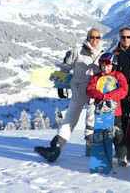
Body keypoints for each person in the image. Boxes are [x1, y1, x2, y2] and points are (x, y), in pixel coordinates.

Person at [34, 28, 104, 162]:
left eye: (97, 37)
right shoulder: (77, 51)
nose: (94, 40)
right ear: (88, 37)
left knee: (92, 121)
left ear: (100, 38)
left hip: (94, 93)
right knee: (70, 120)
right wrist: (60, 86)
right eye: (92, 37)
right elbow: (65, 68)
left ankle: (91, 152)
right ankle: (55, 149)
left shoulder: (102, 54)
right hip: (78, 91)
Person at [86, 53, 129, 166]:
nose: (106, 69)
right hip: (101, 111)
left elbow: (124, 90)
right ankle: (101, 155)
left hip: (115, 111)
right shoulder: (96, 77)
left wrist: (109, 96)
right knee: (101, 133)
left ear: (113, 65)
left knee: (118, 133)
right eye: (103, 66)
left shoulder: (118, 76)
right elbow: (89, 90)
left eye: (108, 66)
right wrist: (99, 95)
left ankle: (122, 156)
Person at [113, 28, 130, 159]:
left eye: (128, 37)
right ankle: (122, 153)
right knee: (121, 124)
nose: (126, 40)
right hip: (120, 95)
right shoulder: (115, 54)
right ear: (119, 38)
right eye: (123, 37)